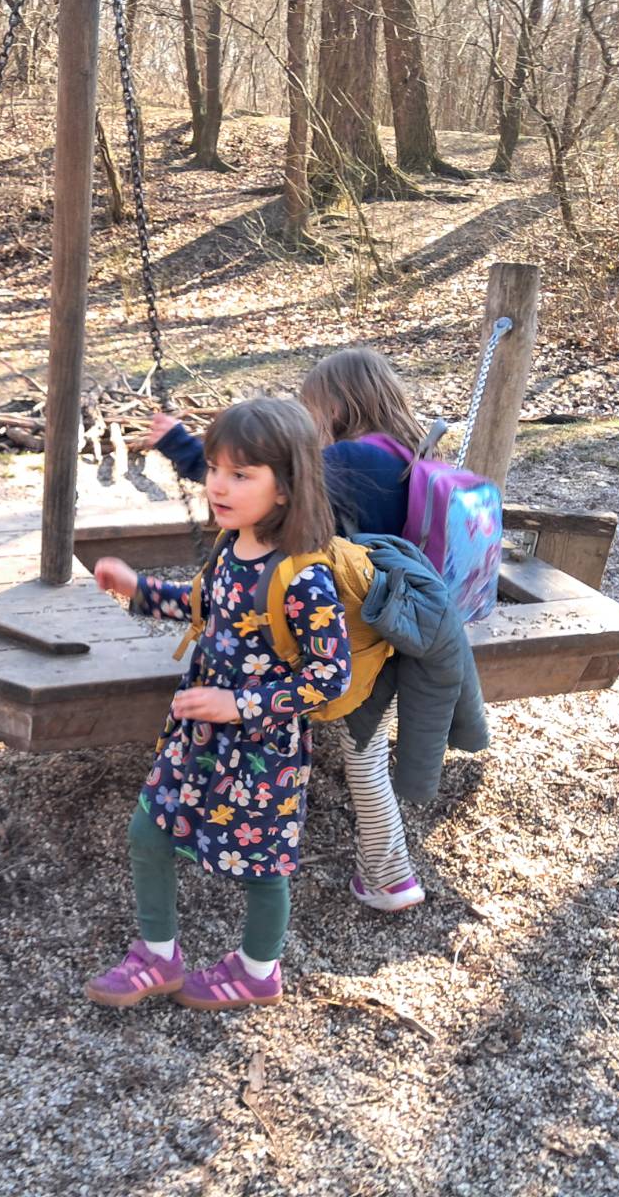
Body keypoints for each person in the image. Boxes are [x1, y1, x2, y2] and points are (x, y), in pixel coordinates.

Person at [144, 348, 430, 912]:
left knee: (362, 756)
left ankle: (391, 877)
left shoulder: (347, 457)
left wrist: (181, 445)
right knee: (367, 751)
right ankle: (387, 873)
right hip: (392, 623)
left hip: (341, 631)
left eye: (311, 404)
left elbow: (266, 484)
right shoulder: (409, 452)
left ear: (336, 406)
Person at [89, 398, 351, 1012]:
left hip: (262, 750)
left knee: (261, 865)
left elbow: (330, 677)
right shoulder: (232, 547)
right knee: (149, 830)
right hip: (199, 733)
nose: (217, 486)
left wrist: (241, 704)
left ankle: (259, 970)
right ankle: (158, 955)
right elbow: (206, 606)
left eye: (240, 474)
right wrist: (138, 588)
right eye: (213, 469)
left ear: (285, 487)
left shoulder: (303, 578)